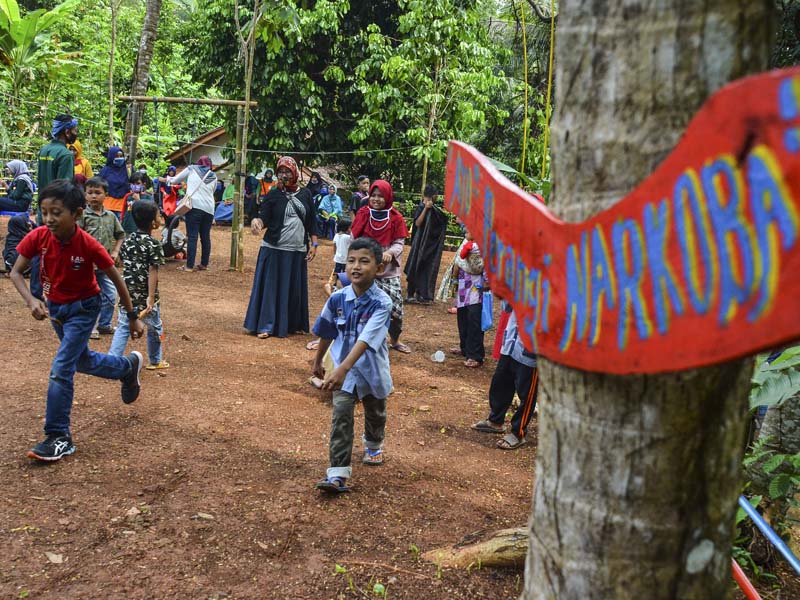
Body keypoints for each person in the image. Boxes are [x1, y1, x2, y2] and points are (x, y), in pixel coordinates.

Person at [9, 179, 145, 462]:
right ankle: (126, 367)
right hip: (57, 310)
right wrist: (31, 300)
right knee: (81, 360)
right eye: (45, 212)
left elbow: (116, 278)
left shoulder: (88, 244)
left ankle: (59, 436)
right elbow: (15, 272)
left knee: (62, 368)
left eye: (57, 212)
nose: (49, 219)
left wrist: (131, 316)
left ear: (77, 214)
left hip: (84, 308)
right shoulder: (39, 236)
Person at [312, 237, 393, 493]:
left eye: (364, 262)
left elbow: (367, 339)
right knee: (341, 415)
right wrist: (317, 361)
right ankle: (337, 473)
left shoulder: (382, 303)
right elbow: (327, 330)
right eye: (351, 261)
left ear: (379, 269)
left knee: (375, 410)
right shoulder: (337, 299)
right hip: (341, 371)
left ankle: (373, 444)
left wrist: (343, 368)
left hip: (371, 369)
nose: (356, 267)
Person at [244, 156, 319, 339]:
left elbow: (311, 221)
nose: (284, 175)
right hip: (274, 248)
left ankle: (292, 324)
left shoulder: (306, 194)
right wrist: (257, 222)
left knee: (293, 290)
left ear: (294, 173)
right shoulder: (273, 194)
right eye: (281, 172)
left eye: (287, 171)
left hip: (297, 250)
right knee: (271, 288)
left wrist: (314, 243)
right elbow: (264, 217)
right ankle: (266, 325)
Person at [351, 179, 411, 353]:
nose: (376, 199)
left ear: (388, 197)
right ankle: (358, 340)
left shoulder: (396, 217)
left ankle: (395, 339)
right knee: (358, 306)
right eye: (373, 195)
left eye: (380, 196)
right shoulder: (363, 213)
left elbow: (399, 243)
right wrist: (362, 255)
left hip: (388, 271)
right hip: (365, 269)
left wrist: (389, 253)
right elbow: (354, 238)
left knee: (395, 309)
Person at [109, 200, 169, 370]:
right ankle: (155, 360)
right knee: (155, 327)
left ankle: (112, 360)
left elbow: (121, 263)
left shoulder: (127, 241)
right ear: (153, 223)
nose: (160, 217)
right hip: (146, 295)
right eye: (158, 215)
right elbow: (153, 271)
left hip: (127, 294)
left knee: (123, 326)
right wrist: (150, 296)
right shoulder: (153, 244)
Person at [471, 303, 539, 450]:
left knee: (526, 393)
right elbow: (507, 306)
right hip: (512, 340)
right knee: (501, 381)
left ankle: (518, 433)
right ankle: (495, 420)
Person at [78, 176, 125, 340]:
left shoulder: (111, 216)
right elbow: (76, 237)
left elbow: (120, 235)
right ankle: (89, 327)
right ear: (85, 195)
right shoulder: (82, 215)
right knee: (88, 297)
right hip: (86, 266)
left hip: (104, 265)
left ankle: (104, 325)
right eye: (89, 192)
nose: (93, 196)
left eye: (98, 192)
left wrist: (115, 251)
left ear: (106, 195)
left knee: (110, 294)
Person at [167, 156, 217, 271]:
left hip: (194, 206)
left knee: (193, 236)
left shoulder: (191, 169)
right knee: (205, 237)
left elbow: (175, 180)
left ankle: (189, 266)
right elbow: (212, 191)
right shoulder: (213, 176)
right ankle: (204, 264)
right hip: (209, 209)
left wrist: (166, 179)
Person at [404, 184, 448, 305]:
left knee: (424, 267)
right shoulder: (421, 207)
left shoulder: (433, 209)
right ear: (434, 196)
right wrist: (426, 209)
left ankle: (421, 294)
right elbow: (418, 223)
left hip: (427, 245)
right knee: (415, 265)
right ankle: (410, 294)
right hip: (418, 243)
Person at [452, 230, 486, 367]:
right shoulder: (466, 242)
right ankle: (465, 348)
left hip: (477, 285)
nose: (465, 229)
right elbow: (458, 260)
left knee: (474, 318)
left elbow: (487, 266)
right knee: (463, 315)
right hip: (463, 283)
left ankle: (475, 355)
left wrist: (487, 283)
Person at [99, 146, 130, 218]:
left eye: (121, 156)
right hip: (108, 205)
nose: (119, 158)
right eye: (116, 156)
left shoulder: (127, 171)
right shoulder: (105, 171)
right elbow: (100, 185)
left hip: (122, 205)